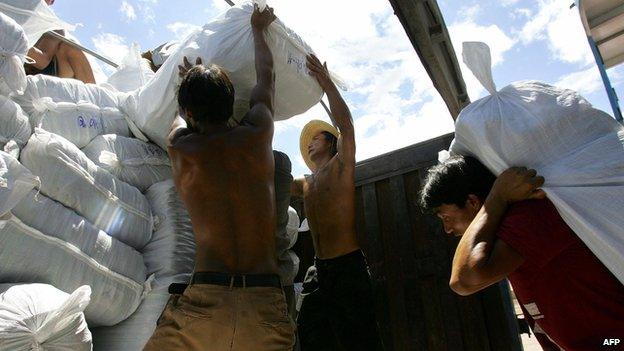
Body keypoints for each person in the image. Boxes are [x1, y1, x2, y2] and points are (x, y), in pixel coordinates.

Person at [143, 5, 295, 350]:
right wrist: (259, 28)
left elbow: (177, 118)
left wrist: (185, 80)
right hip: (264, 301)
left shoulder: (181, 148)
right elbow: (266, 75)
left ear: (191, 111)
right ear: (232, 102)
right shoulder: (258, 132)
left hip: (205, 302)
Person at [419, 155, 624, 351]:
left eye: (445, 217)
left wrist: (497, 196)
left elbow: (463, 281)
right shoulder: (505, 234)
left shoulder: (527, 217)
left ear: (473, 202)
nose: (447, 229)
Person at [291, 54, 383, 351]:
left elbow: (347, 125)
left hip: (347, 268)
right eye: (307, 140)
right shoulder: (305, 183)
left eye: (316, 136)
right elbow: (271, 175)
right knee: (311, 336)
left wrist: (326, 83)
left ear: (331, 141)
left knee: (361, 343)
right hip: (318, 270)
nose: (309, 142)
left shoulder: (342, 166)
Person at [24, 0, 95, 83]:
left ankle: (93, 93)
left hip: (43, 74)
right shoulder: (9, 8)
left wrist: (15, 39)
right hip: (15, 65)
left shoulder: (53, 26)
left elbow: (42, 61)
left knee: (70, 46)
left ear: (51, 2)